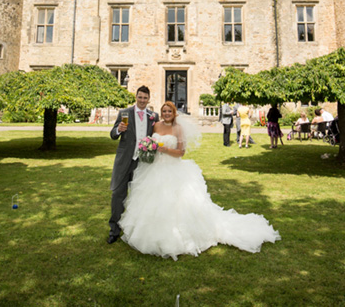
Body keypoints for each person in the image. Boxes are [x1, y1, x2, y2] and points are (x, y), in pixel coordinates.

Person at [119, 102, 280, 260]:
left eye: (169, 111)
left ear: (174, 113)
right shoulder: (155, 126)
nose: (166, 113)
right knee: (151, 203)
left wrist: (165, 149)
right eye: (164, 111)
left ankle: (177, 237)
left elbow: (181, 152)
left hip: (172, 169)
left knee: (174, 205)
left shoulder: (178, 129)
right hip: (154, 169)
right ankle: (150, 234)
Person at [108, 86, 158, 244]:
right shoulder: (124, 114)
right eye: (140, 97)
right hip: (124, 161)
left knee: (139, 197)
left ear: (148, 99)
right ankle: (114, 230)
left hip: (142, 162)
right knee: (118, 194)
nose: (142, 101)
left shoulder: (153, 116)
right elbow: (113, 135)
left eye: (145, 98)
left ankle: (135, 230)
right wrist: (118, 129)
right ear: (136, 97)